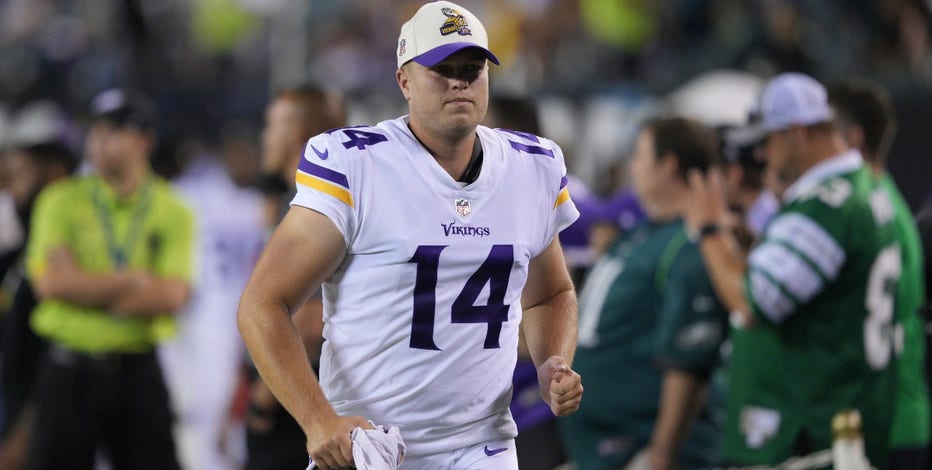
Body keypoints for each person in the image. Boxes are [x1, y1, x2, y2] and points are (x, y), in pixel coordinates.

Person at [236, 2, 584, 469]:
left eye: (472, 68)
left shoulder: (532, 166)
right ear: (404, 80)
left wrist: (551, 362)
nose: (459, 81)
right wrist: (317, 419)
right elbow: (262, 303)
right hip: (372, 445)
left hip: (482, 446)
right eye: (442, 69)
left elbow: (550, 293)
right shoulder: (355, 165)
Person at [685, 72, 899, 468]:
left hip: (811, 425)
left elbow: (753, 302)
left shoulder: (828, 204)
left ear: (797, 133)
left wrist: (710, 229)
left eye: (769, 140)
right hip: (841, 411)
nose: (764, 155)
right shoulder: (860, 189)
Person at [23, 88, 195, 470]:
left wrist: (82, 287)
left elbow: (171, 296)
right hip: (68, 370)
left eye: (113, 131)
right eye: (94, 130)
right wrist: (134, 280)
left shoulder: (173, 209)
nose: (98, 140)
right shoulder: (60, 199)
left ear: (144, 141)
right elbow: (50, 285)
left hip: (136, 370)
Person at [560, 117, 728, 470]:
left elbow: (689, 359)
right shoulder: (641, 235)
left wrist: (662, 453)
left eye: (638, 155)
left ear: (668, 165)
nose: (631, 166)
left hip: (646, 448)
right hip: (601, 447)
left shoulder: (689, 244)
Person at [828, 79, 930, 470]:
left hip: (881, 419)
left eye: (824, 131)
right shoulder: (886, 201)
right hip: (894, 412)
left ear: (852, 139)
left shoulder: (858, 210)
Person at [245, 85, 347, 470]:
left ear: (293, 134)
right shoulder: (311, 195)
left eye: (270, 126)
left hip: (300, 395)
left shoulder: (309, 205)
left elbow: (310, 313)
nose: (262, 137)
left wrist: (264, 394)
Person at [0, 141, 77, 469]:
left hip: (39, 418)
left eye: (18, 175)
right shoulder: (17, 251)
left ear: (53, 176)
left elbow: (54, 349)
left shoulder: (65, 258)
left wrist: (27, 428)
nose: (9, 188)